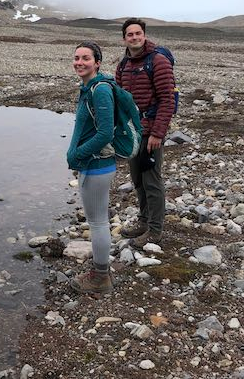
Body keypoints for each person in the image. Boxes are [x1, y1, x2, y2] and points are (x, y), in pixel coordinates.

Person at [116, 18, 175, 247]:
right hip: (132, 134)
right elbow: (120, 101)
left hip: (151, 134)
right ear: (124, 38)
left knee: (152, 181)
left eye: (138, 33)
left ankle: (155, 230)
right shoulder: (123, 65)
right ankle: (143, 220)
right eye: (130, 34)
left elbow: (167, 100)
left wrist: (158, 134)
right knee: (138, 180)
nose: (134, 37)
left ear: (144, 35)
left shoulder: (158, 62)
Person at [66, 41, 116, 294]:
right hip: (94, 164)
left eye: (86, 58)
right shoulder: (88, 88)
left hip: (97, 165)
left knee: (97, 222)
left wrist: (77, 155)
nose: (79, 62)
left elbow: (106, 132)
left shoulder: (100, 91)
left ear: (97, 62)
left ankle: (100, 277)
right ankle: (100, 270)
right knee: (98, 220)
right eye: (76, 57)